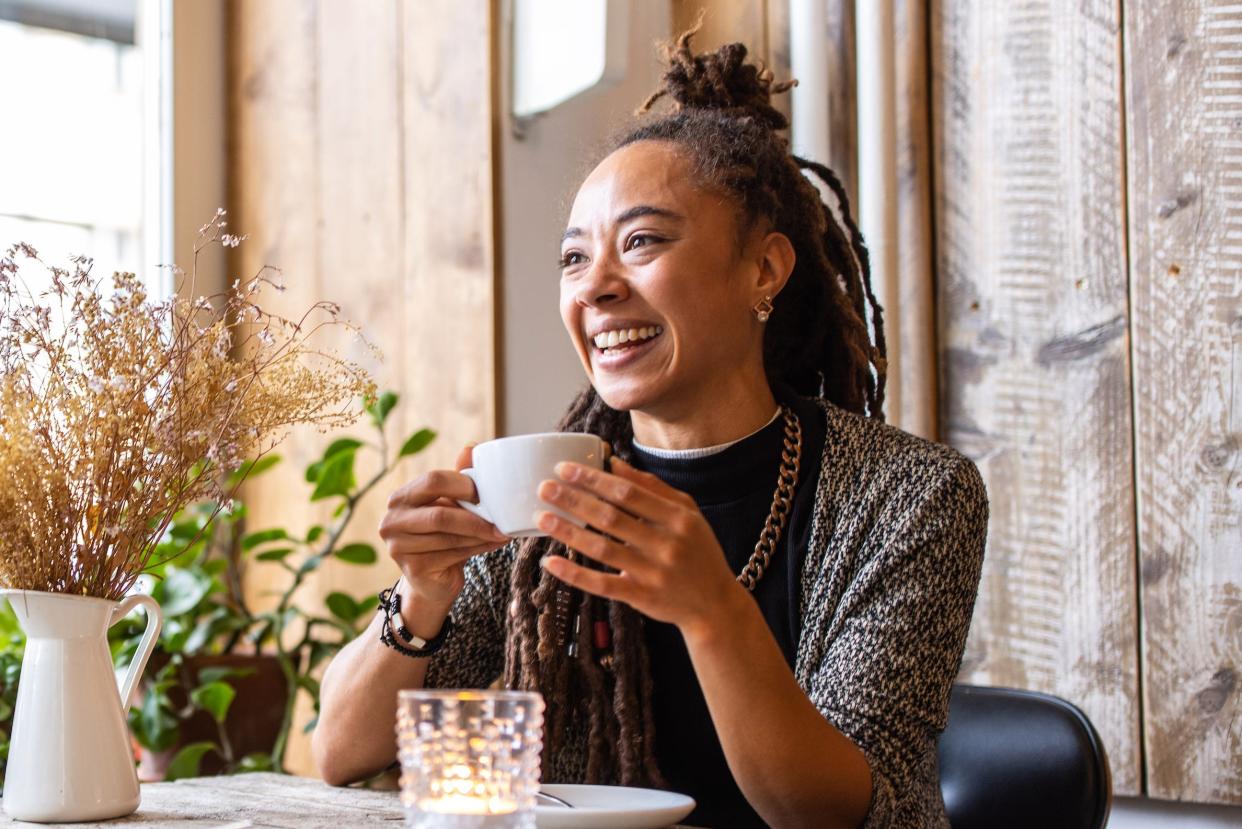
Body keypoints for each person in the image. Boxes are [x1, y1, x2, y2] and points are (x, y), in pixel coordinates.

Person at [314, 25, 988, 829]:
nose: (594, 287)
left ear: (763, 270)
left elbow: (833, 810)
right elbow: (343, 750)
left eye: (641, 241)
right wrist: (423, 594)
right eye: (573, 258)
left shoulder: (909, 496)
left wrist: (710, 609)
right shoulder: (547, 490)